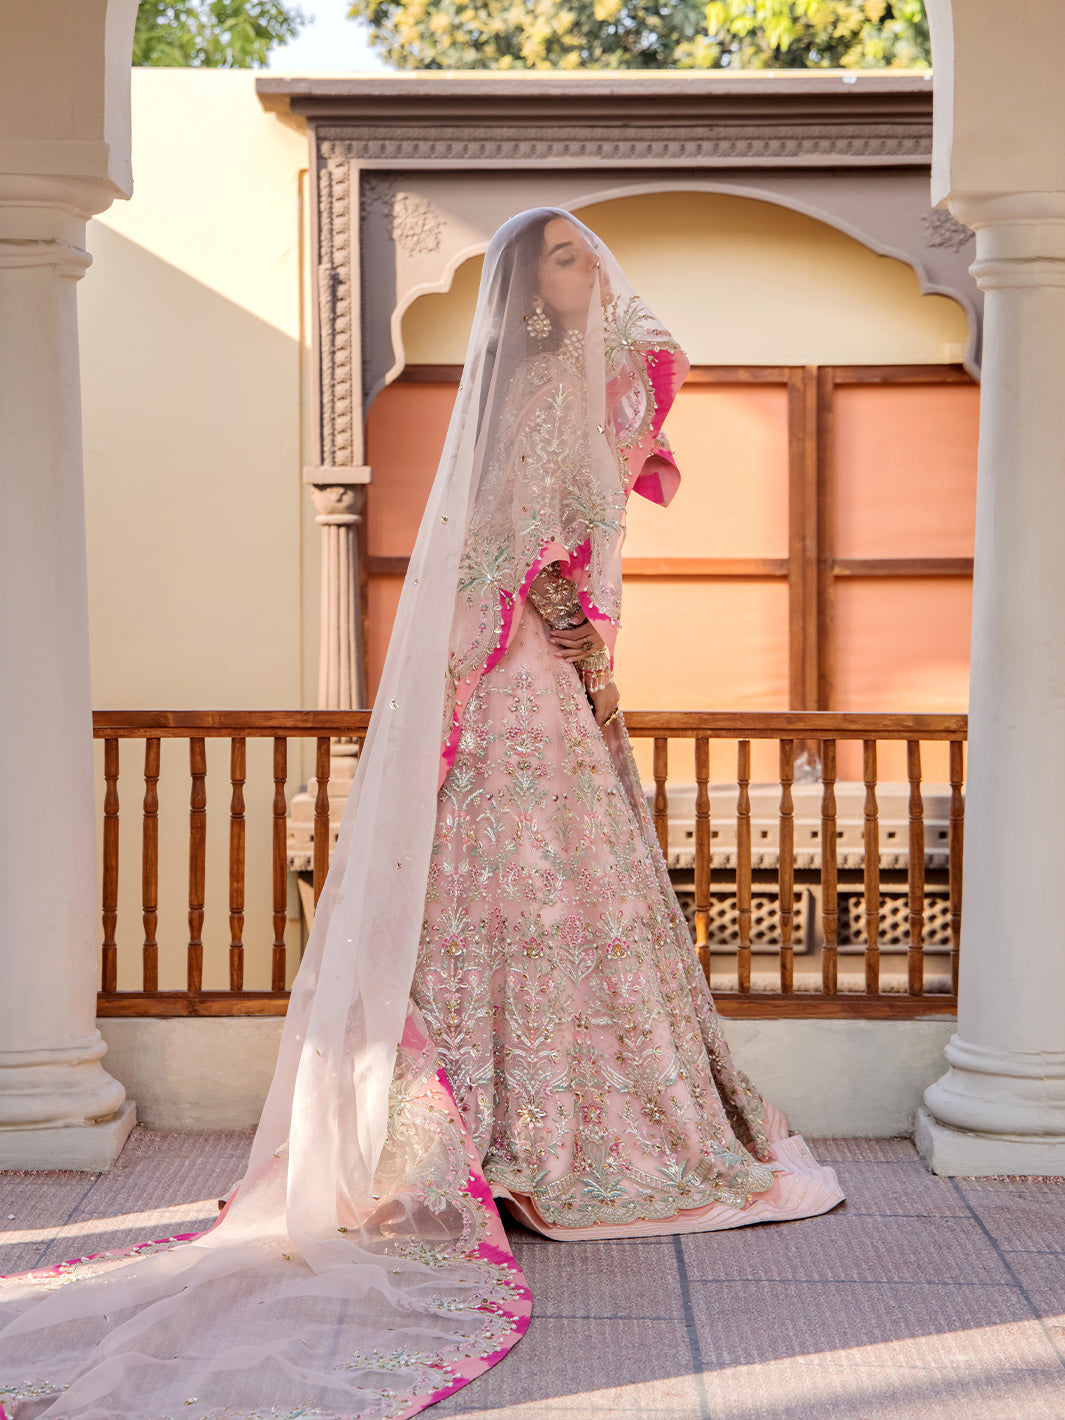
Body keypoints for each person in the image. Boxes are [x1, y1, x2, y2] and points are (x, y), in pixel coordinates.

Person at [0, 209, 841, 1420]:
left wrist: (572, 631)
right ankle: (505, 1146)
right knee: (515, 895)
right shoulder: (541, 386)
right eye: (564, 259)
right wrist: (568, 618)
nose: (591, 273)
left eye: (586, 256)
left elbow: (578, 467)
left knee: (543, 900)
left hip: (528, 682)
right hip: (519, 686)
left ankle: (517, 1143)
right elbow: (504, 540)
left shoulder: (543, 383)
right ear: (526, 286)